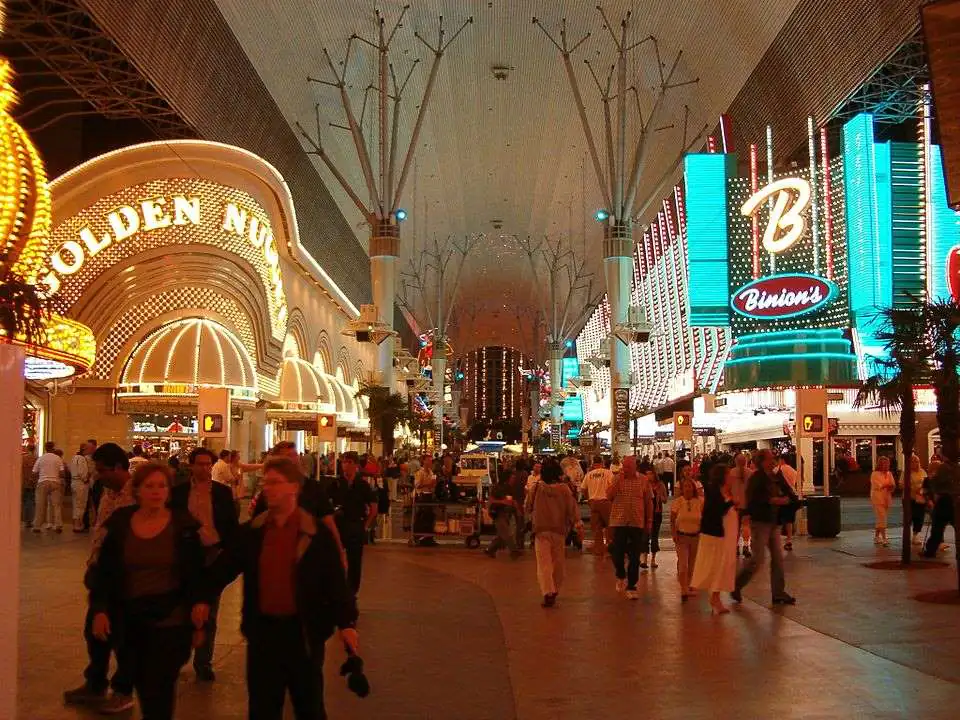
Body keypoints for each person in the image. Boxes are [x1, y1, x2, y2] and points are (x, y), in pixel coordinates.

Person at [197, 456, 359, 720]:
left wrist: (347, 623)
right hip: (263, 634)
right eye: (265, 482)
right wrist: (201, 597)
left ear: (294, 487)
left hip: (303, 635)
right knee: (263, 707)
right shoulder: (253, 532)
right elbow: (224, 568)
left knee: (309, 706)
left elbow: (335, 583)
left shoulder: (316, 535)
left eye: (275, 482)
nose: (268, 488)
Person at [86, 462, 207, 720]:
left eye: (162, 486)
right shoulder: (121, 524)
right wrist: (99, 609)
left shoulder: (183, 526)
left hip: (170, 618)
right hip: (129, 618)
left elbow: (196, 574)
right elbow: (105, 572)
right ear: (137, 490)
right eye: (149, 486)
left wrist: (199, 614)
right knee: (140, 679)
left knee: (159, 686)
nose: (156, 491)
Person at [63, 442, 137, 714]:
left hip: (125, 578)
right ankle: (94, 684)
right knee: (94, 631)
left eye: (103, 470)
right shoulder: (108, 493)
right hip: (101, 573)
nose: (99, 475)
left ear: (119, 467)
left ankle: (122, 690)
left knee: (123, 638)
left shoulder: (138, 495)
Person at [170, 447, 239, 682]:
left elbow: (230, 524)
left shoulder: (221, 493)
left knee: (209, 610)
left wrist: (225, 552)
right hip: (186, 556)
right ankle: (178, 657)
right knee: (181, 609)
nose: (204, 468)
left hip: (212, 555)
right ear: (191, 465)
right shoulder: (178, 493)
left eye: (207, 464)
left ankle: (203, 661)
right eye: (199, 464)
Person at [253, 441, 346, 566]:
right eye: (287, 456)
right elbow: (256, 526)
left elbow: (329, 522)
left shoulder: (314, 488)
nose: (293, 460)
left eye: (294, 455)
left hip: (310, 557)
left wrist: (340, 553)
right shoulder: (268, 493)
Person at [732, 449, 796, 605]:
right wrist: (773, 500)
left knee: (778, 559)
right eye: (769, 458)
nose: (773, 460)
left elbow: (788, 490)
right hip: (760, 523)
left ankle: (778, 593)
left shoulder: (775, 475)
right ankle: (736, 585)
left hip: (773, 522)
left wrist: (792, 500)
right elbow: (753, 499)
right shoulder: (757, 478)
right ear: (762, 462)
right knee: (758, 559)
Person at [526, 458, 580, 607]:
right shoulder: (564, 489)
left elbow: (528, 506)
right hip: (559, 530)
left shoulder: (536, 488)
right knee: (558, 562)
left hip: (541, 529)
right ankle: (555, 588)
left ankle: (547, 591)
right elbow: (572, 508)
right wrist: (577, 522)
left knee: (543, 563)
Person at [326, 451, 378, 594]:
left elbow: (374, 508)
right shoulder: (336, 484)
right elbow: (326, 504)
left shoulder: (362, 485)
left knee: (355, 562)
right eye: (344, 462)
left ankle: (352, 592)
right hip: (339, 526)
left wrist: (365, 526)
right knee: (335, 560)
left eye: (349, 462)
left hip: (355, 525)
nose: (346, 465)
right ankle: (337, 589)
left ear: (355, 465)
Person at [691, 464, 738, 614]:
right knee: (718, 564)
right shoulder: (714, 491)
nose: (731, 478)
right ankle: (715, 597)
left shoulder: (724, 491)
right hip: (716, 533)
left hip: (726, 532)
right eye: (728, 475)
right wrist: (732, 503)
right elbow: (716, 510)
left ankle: (716, 596)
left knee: (723, 564)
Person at [607, 456, 653, 600]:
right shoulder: (616, 479)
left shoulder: (643, 480)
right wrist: (618, 481)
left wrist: (649, 520)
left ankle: (632, 585)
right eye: (624, 466)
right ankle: (620, 574)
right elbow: (609, 496)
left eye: (628, 467)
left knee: (634, 556)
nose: (625, 469)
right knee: (617, 553)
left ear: (634, 467)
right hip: (619, 521)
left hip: (636, 522)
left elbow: (648, 501)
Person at [670, 477, 703, 601]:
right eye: (686, 487)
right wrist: (674, 533)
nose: (688, 489)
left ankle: (690, 585)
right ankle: (683, 588)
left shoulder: (700, 502)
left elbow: (704, 519)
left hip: (696, 536)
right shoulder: (677, 502)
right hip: (682, 537)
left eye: (690, 486)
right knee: (683, 564)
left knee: (693, 563)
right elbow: (672, 520)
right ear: (682, 489)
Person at [922, 455, 959, 558]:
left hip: (944, 501)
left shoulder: (943, 468)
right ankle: (931, 550)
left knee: (937, 529)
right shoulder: (954, 468)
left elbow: (936, 485)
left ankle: (930, 551)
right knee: (954, 526)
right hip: (952, 500)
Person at [581, 456, 614, 556]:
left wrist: (589, 498)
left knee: (597, 527)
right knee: (610, 526)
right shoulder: (608, 473)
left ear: (593, 463)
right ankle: (610, 547)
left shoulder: (589, 474)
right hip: (605, 501)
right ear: (602, 462)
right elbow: (612, 486)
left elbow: (583, 489)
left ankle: (599, 549)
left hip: (593, 502)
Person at [32, 440, 64, 533]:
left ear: (45, 448)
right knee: (56, 505)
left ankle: (37, 526)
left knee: (40, 504)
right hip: (55, 482)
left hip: (43, 482)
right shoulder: (58, 458)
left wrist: (35, 480)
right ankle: (58, 525)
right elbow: (62, 472)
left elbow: (34, 472)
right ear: (53, 447)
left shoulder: (41, 458)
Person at [485, 474, 520, 558]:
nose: (514, 480)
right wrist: (502, 502)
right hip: (498, 512)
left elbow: (513, 500)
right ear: (507, 479)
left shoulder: (510, 488)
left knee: (502, 535)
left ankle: (490, 550)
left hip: (507, 513)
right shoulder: (498, 488)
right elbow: (491, 500)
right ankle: (514, 551)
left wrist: (517, 509)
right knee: (506, 533)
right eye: (512, 478)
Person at [642, 470, 668, 570]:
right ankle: (644, 559)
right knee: (645, 536)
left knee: (654, 536)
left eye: (650, 474)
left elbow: (665, 499)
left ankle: (653, 559)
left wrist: (659, 496)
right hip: (646, 512)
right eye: (647, 474)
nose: (648, 476)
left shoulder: (660, 485)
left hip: (657, 513)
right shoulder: (645, 484)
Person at [729, 452, 752, 558]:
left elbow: (728, 489)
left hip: (735, 504)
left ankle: (736, 547)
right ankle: (746, 546)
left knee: (736, 528)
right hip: (747, 503)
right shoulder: (750, 473)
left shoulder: (731, 473)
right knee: (746, 525)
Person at [870, 455, 896, 547]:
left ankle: (876, 536)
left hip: (886, 497)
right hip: (877, 498)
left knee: (881, 517)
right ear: (880, 465)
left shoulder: (889, 473)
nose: (886, 466)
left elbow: (892, 484)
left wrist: (890, 486)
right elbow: (879, 485)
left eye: (887, 464)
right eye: (884, 464)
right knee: (882, 517)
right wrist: (887, 485)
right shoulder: (875, 474)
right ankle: (884, 537)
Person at [777, 455, 802, 551]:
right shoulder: (793, 470)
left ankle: (777, 540)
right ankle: (789, 540)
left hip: (782, 497)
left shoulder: (779, 469)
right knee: (789, 520)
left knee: (778, 520)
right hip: (792, 496)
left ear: (782, 460)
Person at [413, 455, 438, 546]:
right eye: (428, 460)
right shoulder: (420, 472)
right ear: (423, 461)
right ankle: (420, 537)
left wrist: (433, 485)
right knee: (422, 517)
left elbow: (432, 485)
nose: (430, 462)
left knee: (430, 517)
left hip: (430, 496)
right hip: (422, 496)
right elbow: (417, 486)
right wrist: (428, 483)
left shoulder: (431, 473)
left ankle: (429, 538)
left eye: (431, 461)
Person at [70, 444, 92, 533]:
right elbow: (82, 472)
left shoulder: (74, 457)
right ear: (84, 449)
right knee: (81, 504)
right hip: (81, 483)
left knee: (75, 504)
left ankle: (75, 523)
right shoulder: (82, 459)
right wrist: (86, 479)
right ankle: (78, 525)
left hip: (73, 482)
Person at [908, 455, 928, 545]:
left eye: (916, 461)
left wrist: (923, 489)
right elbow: (901, 484)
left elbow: (927, 482)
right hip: (910, 498)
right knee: (910, 517)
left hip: (921, 497)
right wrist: (913, 488)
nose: (915, 463)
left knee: (919, 517)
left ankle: (916, 535)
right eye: (912, 461)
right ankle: (908, 534)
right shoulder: (907, 472)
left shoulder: (922, 471)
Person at [21, 444, 36, 528]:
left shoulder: (23, 458)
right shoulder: (36, 458)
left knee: (25, 501)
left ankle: (26, 520)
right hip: (33, 483)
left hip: (24, 482)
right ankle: (29, 520)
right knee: (31, 501)